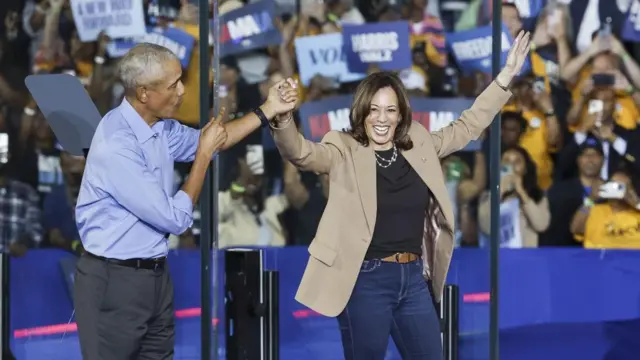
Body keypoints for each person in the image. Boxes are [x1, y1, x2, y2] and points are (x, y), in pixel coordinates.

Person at [270, 31, 531, 360]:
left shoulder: (418, 142)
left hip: (413, 279)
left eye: (390, 110)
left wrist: (505, 78)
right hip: (365, 279)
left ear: (401, 113)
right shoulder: (343, 146)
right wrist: (283, 118)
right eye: (374, 110)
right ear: (362, 112)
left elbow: (467, 127)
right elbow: (302, 154)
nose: (382, 119)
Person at [72, 43, 298, 360]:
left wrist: (268, 109)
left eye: (181, 80)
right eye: (173, 84)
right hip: (114, 282)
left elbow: (217, 139)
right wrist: (203, 156)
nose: (182, 91)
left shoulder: (160, 128)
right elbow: (174, 218)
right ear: (143, 94)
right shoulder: (117, 144)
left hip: (155, 277)